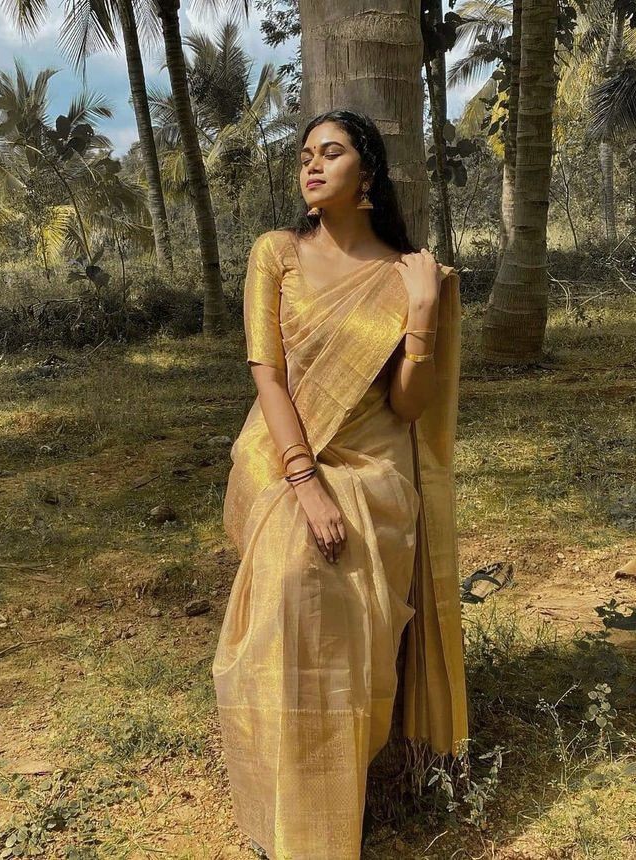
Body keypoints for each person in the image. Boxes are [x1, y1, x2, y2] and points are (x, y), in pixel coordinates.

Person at [211, 109, 469, 860]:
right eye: (304, 156)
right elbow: (267, 372)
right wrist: (304, 483)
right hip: (286, 454)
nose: (310, 165)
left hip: (373, 464)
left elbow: (407, 406)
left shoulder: (403, 273)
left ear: (368, 173)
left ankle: (336, 781)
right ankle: (291, 808)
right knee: (296, 572)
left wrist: (419, 311)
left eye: (331, 153)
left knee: (344, 604)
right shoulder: (277, 253)